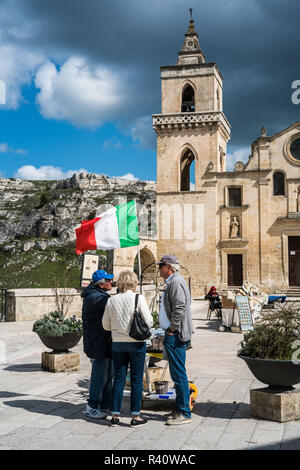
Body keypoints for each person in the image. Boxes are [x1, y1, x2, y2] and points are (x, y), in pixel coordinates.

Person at [102, 270, 153, 427]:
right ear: (134, 282)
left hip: (117, 343)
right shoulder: (139, 298)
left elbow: (105, 325)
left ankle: (115, 415)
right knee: (137, 380)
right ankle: (135, 416)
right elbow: (149, 321)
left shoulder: (111, 300)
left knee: (119, 378)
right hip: (136, 343)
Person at [157, 254, 194, 426]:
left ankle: (184, 412)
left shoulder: (176, 282)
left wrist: (172, 328)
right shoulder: (174, 282)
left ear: (168, 267)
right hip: (173, 333)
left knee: (179, 374)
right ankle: (180, 408)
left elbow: (179, 307)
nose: (159, 269)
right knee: (176, 373)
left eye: (161, 266)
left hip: (176, 334)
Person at [82, 269, 114, 419]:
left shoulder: (98, 295)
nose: (111, 282)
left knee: (108, 375)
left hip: (104, 342)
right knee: (99, 376)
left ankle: (105, 405)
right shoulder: (96, 298)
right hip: (98, 343)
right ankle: (92, 406)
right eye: (108, 280)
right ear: (101, 284)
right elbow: (113, 306)